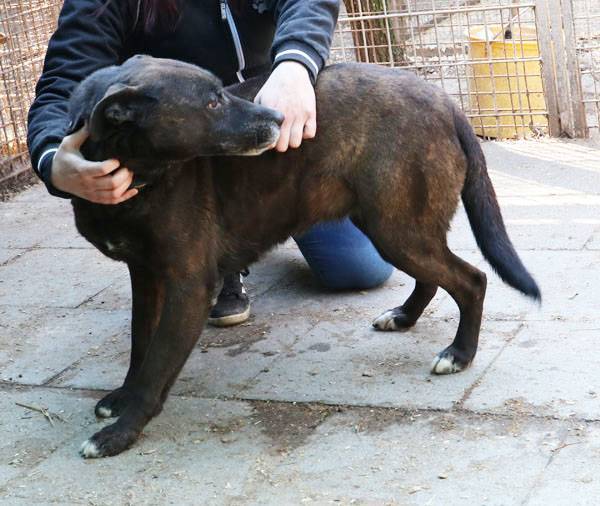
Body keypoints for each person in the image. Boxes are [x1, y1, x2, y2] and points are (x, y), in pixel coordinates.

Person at [28, 0, 393, 326]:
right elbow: (62, 84)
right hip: (186, 162)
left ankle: (251, 233)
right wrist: (53, 161)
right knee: (193, 266)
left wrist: (296, 63)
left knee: (360, 268)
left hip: (266, 126)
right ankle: (217, 253)